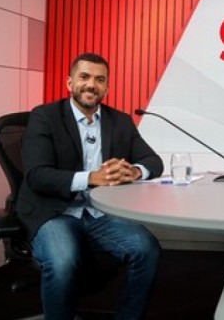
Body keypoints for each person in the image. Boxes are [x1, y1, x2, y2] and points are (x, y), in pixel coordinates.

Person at [18, 53, 163, 320]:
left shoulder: (119, 121)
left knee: (147, 249)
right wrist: (91, 178)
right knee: (63, 262)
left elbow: (154, 161)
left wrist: (134, 171)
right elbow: (37, 175)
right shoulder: (45, 116)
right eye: (84, 77)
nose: (91, 85)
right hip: (54, 211)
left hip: (99, 213)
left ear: (106, 88)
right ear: (69, 82)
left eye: (99, 79)